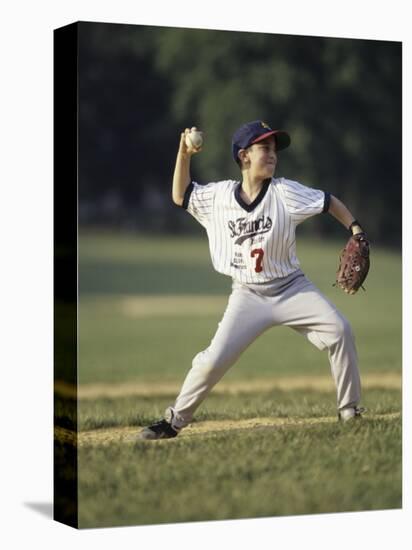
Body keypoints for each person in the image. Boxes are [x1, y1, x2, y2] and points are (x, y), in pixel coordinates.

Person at [140, 120, 365, 440]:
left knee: (340, 330)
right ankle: (174, 421)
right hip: (248, 295)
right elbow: (182, 195)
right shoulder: (219, 197)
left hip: (292, 288)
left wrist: (355, 229)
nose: (272, 154)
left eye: (274, 149)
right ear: (244, 155)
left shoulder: (285, 192)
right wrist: (184, 153)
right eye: (264, 148)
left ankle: (349, 410)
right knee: (213, 360)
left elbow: (329, 202)